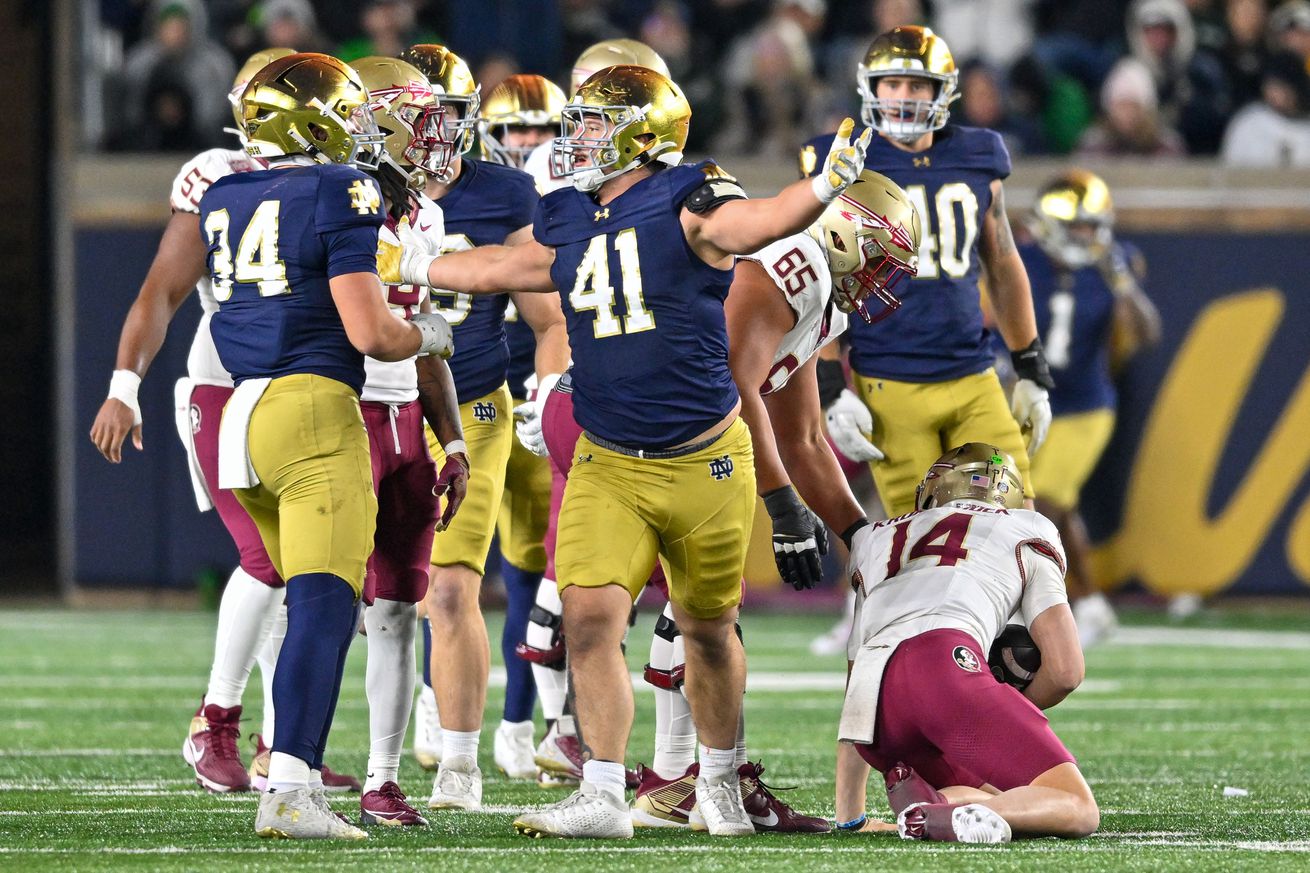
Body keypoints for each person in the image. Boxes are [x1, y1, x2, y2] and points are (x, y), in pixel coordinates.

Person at [383, 64, 873, 838]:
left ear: (641, 136)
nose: (575, 138)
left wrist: (818, 193)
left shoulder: (690, 195)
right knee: (588, 619)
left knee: (707, 630)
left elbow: (755, 224)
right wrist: (412, 264)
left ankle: (715, 781)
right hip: (608, 458)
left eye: (592, 123)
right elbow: (508, 267)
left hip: (705, 458)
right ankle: (605, 791)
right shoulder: (570, 214)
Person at [800, 25, 1054, 826]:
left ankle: (992, 737)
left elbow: (1002, 257)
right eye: (892, 85)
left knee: (1019, 547)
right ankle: (908, 760)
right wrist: (835, 379)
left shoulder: (979, 154)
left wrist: (1032, 362)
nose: (904, 100)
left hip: (974, 375)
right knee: (913, 576)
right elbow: (820, 267)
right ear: (868, 89)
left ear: (941, 91)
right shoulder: (841, 157)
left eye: (917, 86)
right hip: (888, 384)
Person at [200, 52, 454, 839]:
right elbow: (374, 333)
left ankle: (283, 768)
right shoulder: (341, 188)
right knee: (321, 606)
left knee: (302, 604)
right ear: (315, 119)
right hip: (315, 411)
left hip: (243, 415)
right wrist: (432, 333)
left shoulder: (227, 190)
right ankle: (293, 789)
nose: (357, 129)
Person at [90, 47, 356, 797]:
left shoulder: (337, 180)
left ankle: (280, 741)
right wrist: (122, 385)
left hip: (313, 381)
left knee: (301, 569)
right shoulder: (217, 175)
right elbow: (161, 290)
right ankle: (216, 720)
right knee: (270, 560)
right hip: (228, 381)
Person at [628, 168, 921, 832]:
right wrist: (785, 505)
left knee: (692, 602)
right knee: (665, 607)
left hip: (671, 422)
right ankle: (670, 773)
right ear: (842, 234)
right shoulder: (791, 266)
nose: (881, 277)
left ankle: (676, 778)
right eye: (878, 257)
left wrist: (859, 531)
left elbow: (806, 434)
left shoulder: (821, 294)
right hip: (644, 424)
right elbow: (733, 385)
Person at [398, 43, 570, 811]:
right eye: (417, 114)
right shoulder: (359, 189)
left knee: (451, 585)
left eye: (446, 115)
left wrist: (550, 385)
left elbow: (546, 310)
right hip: (381, 403)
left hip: (474, 403)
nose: (432, 131)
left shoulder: (506, 192)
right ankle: (317, 756)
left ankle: (461, 761)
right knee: (365, 595)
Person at [841, 443, 1098, 843]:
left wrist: (850, 816)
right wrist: (997, 705)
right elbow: (1066, 671)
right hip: (945, 668)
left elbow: (853, 676)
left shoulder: (875, 537)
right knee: (1076, 808)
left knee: (1008, 797)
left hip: (874, 715)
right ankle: (953, 812)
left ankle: (937, 807)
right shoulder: (1028, 527)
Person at [349, 54, 471, 827]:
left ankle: (382, 775)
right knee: (312, 597)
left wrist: (452, 438)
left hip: (403, 419)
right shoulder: (339, 196)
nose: (437, 139)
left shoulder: (422, 213)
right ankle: (276, 750)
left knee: (398, 606)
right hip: (339, 408)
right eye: (421, 122)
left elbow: (430, 340)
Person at [1021, 170, 1161, 647]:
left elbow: (1145, 334)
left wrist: (1123, 287)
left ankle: (1070, 603)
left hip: (1085, 404)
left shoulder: (1116, 263)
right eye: (1076, 226)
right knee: (1018, 502)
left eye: (1091, 226)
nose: (1086, 236)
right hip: (1028, 398)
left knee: (1051, 501)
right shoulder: (1020, 260)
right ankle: (1086, 604)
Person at [480, 74, 568, 169]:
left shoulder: (578, 181)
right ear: (495, 136)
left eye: (544, 130)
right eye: (520, 129)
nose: (532, 140)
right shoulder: (477, 182)